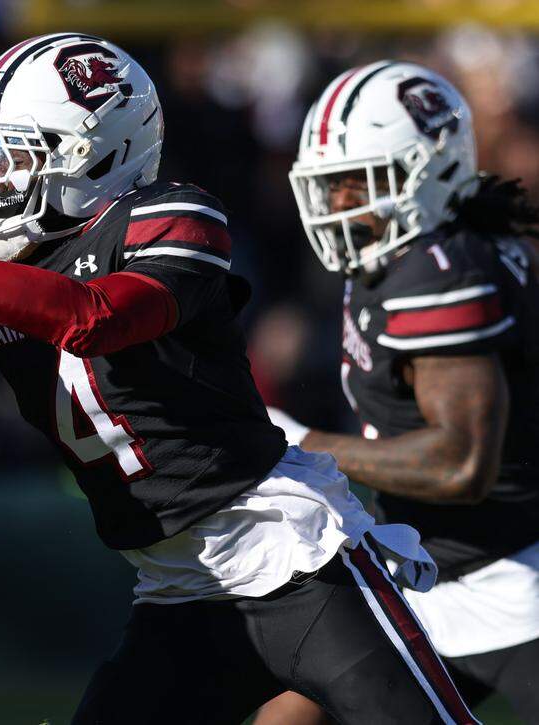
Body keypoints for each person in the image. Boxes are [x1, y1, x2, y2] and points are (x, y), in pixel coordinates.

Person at [0, 35, 477, 724]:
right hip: (177, 586)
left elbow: (95, 317)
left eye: (16, 151)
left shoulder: (171, 216)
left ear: (96, 153)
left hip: (291, 558)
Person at [261, 61, 539, 723]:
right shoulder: (405, 250)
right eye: (329, 186)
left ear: (430, 171)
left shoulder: (439, 269)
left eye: (355, 182)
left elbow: (459, 463)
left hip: (514, 577)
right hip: (421, 567)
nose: (336, 204)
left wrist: (302, 444)